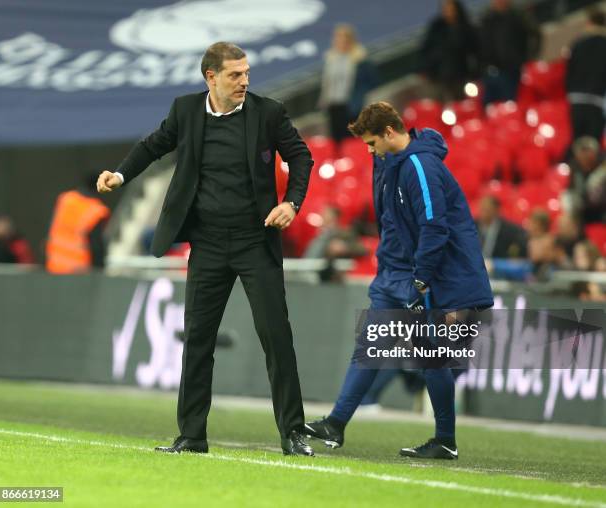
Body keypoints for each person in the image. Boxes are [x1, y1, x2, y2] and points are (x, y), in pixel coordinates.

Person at [97, 42, 314, 456]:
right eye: (235, 75)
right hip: (208, 243)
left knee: (276, 337)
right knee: (197, 340)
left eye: (247, 73)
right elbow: (153, 145)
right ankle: (192, 436)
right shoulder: (186, 110)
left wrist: (292, 202)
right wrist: (120, 175)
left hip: (255, 241)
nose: (244, 81)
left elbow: (301, 158)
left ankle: (293, 432)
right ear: (210, 77)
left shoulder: (268, 113)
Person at [304, 102, 493, 459]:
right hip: (395, 271)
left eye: (373, 142)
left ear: (390, 132)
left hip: (426, 275)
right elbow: (393, 220)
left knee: (430, 356)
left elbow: (434, 226)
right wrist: (388, 264)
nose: (370, 150)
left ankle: (445, 439)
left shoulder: (420, 165)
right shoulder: (388, 161)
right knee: (373, 344)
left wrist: (422, 278)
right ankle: (337, 423)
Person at [318, 24, 379, 145]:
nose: (340, 41)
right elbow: (328, 82)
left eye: (343, 38)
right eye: (337, 38)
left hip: (352, 107)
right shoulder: (331, 59)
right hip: (333, 106)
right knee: (337, 140)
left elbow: (373, 81)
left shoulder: (360, 59)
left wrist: (360, 96)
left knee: (353, 139)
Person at [45, 172, 110, 273]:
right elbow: (96, 246)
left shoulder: (66, 199)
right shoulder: (96, 210)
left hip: (54, 265)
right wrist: (100, 271)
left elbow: (52, 229)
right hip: (78, 271)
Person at [479, 0, 540, 105]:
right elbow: (482, 44)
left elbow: (535, 35)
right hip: (491, 71)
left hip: (513, 69)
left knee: (512, 103)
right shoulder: (487, 19)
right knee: (488, 105)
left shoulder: (518, 15)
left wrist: (528, 58)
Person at [420, 0, 479, 102]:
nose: (448, 12)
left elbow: (475, 51)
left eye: (450, 9)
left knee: (463, 103)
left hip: (461, 76)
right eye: (445, 9)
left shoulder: (466, 28)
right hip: (440, 76)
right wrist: (427, 68)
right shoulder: (436, 27)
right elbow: (426, 49)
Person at [565, 8, 606, 144]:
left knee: (577, 145)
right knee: (593, 146)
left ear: (589, 22)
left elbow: (568, 72)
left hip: (576, 100)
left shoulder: (577, 44)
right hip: (597, 101)